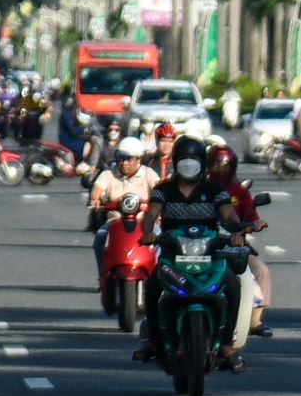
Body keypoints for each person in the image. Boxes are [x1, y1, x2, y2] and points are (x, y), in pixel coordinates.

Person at [139, 137, 247, 369]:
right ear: (176, 162)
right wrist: (147, 232)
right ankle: (155, 342)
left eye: (195, 159)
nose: (189, 164)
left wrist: (237, 231)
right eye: (184, 159)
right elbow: (150, 215)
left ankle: (226, 344)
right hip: (172, 256)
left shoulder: (215, 190)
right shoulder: (163, 190)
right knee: (153, 285)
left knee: (233, 284)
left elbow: (228, 215)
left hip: (210, 256)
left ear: (203, 163)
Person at [207, 141, 273, 339]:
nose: (221, 169)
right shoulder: (201, 189)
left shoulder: (240, 191)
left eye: (226, 165)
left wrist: (255, 224)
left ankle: (255, 321)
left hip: (235, 246)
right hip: (203, 246)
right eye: (216, 164)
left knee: (261, 270)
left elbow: (252, 218)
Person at [88, 139, 160, 269]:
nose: (124, 163)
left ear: (138, 159)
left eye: (129, 159)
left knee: (160, 237)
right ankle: (104, 274)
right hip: (115, 223)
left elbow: (159, 191)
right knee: (100, 236)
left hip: (144, 223)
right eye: (121, 159)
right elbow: (97, 190)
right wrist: (96, 200)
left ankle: (157, 274)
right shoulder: (108, 174)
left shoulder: (148, 174)